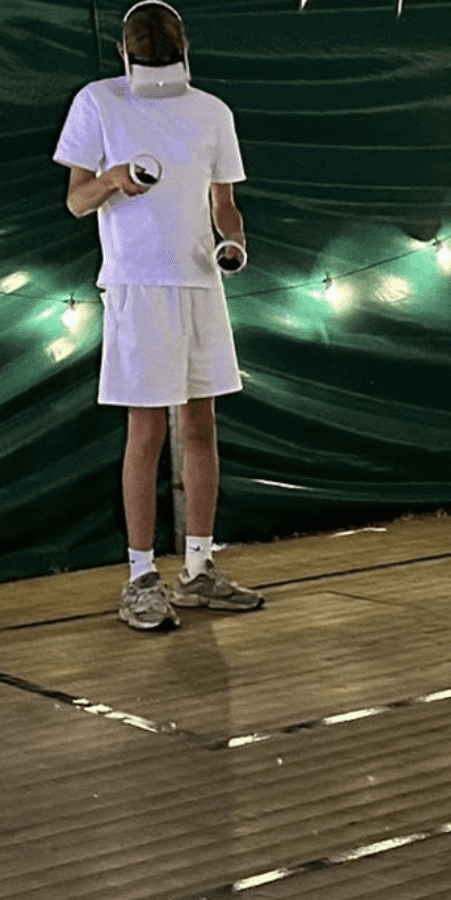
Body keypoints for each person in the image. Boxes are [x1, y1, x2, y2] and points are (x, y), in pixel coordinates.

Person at [53, 0, 264, 630]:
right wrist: (113, 178)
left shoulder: (212, 111)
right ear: (124, 53)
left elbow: (224, 202)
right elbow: (76, 201)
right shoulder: (98, 101)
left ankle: (198, 569)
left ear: (183, 49)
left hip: (201, 283)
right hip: (137, 285)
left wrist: (233, 241)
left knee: (201, 425)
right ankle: (140, 577)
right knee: (145, 432)